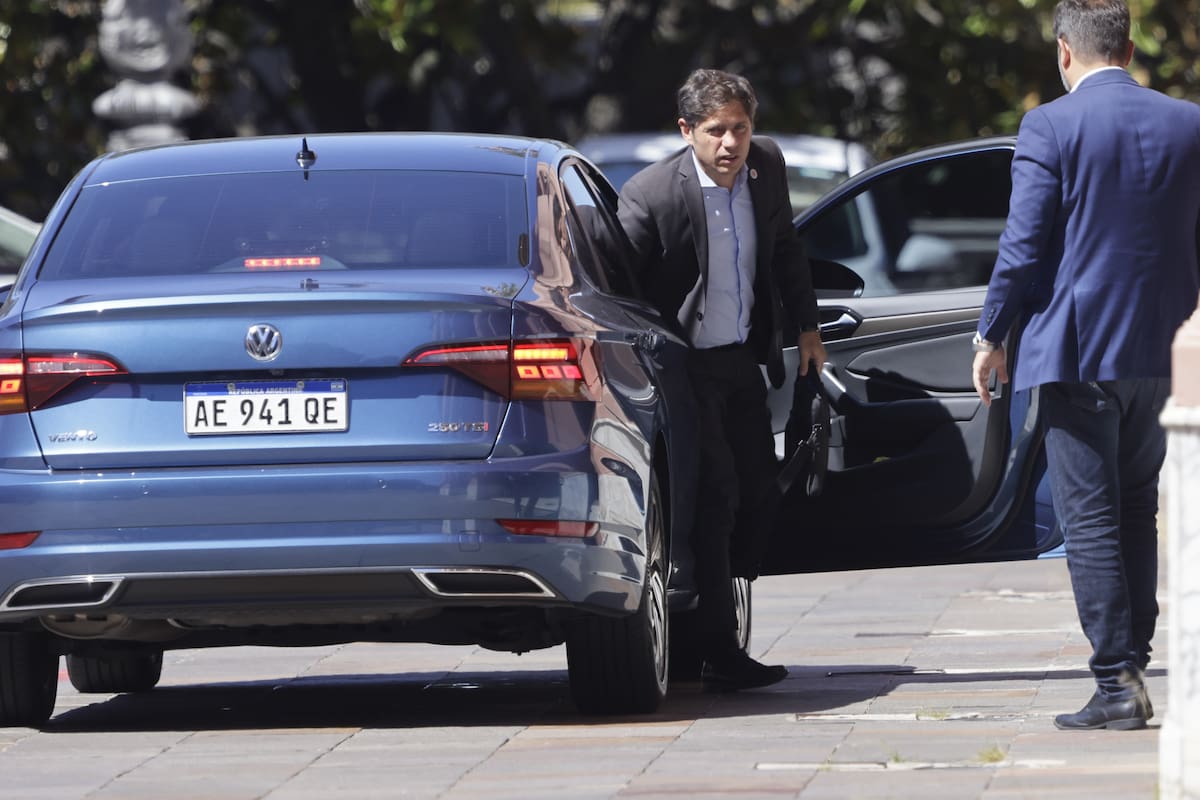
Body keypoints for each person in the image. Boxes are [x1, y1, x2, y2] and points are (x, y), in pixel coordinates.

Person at [972, 0, 1200, 730]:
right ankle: (1131, 666)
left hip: (1075, 351)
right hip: (1163, 350)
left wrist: (991, 334)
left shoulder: (1049, 125)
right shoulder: (1187, 122)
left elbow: (1023, 243)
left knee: (1090, 516)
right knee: (1137, 507)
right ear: (1130, 50)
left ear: (1065, 53)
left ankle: (1115, 684)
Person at [617, 68, 827, 691]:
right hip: (686, 370)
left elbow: (785, 246)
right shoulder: (652, 195)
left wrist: (808, 329)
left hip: (742, 360)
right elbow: (620, 289)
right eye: (716, 132)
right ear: (687, 133)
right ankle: (714, 645)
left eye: (740, 128)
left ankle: (699, 632)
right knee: (715, 499)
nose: (731, 144)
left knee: (759, 492)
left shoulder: (765, 166)